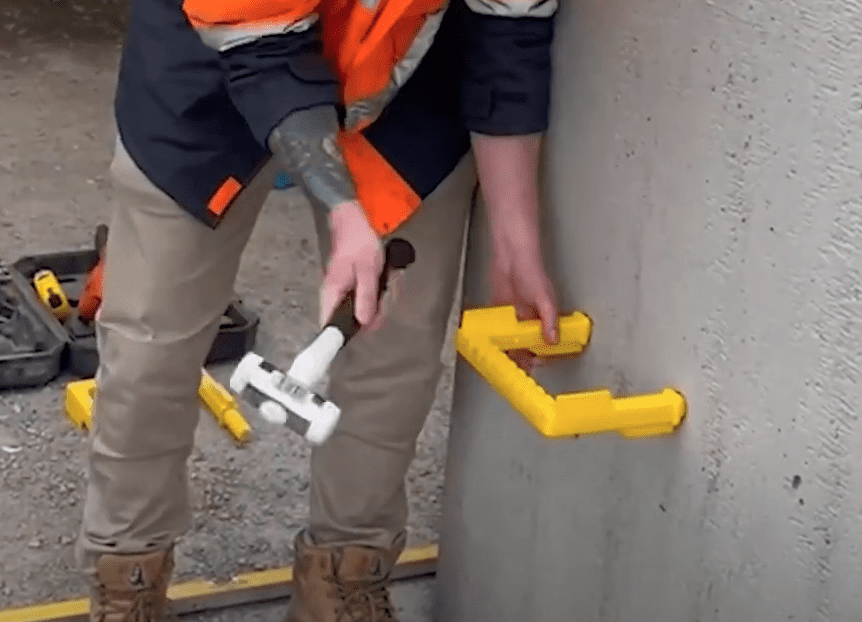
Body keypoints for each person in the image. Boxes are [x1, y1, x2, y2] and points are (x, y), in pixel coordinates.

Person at [76, 0, 562, 619]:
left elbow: (509, 32)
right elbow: (260, 48)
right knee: (151, 340)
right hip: (211, 57)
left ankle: (343, 576)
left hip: (403, 75)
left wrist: (516, 242)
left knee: (396, 346)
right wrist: (342, 209)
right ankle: (128, 575)